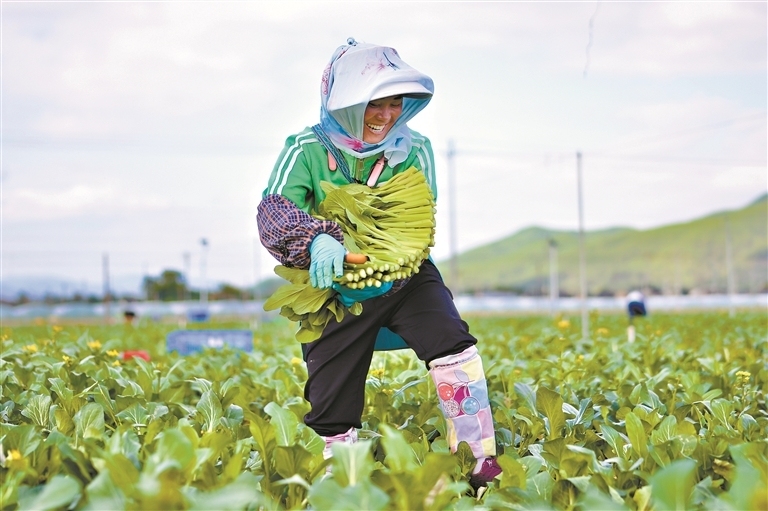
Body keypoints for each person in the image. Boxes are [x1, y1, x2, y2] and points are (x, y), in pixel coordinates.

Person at [256, 38, 501, 491]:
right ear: (345, 103)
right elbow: (274, 209)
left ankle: (477, 462)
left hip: (406, 275)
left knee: (453, 344)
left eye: (395, 104)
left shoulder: (415, 149)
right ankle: (338, 477)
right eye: (374, 104)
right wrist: (316, 241)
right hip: (332, 281)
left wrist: (386, 262)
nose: (386, 115)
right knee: (331, 390)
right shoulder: (306, 149)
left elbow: (416, 220)